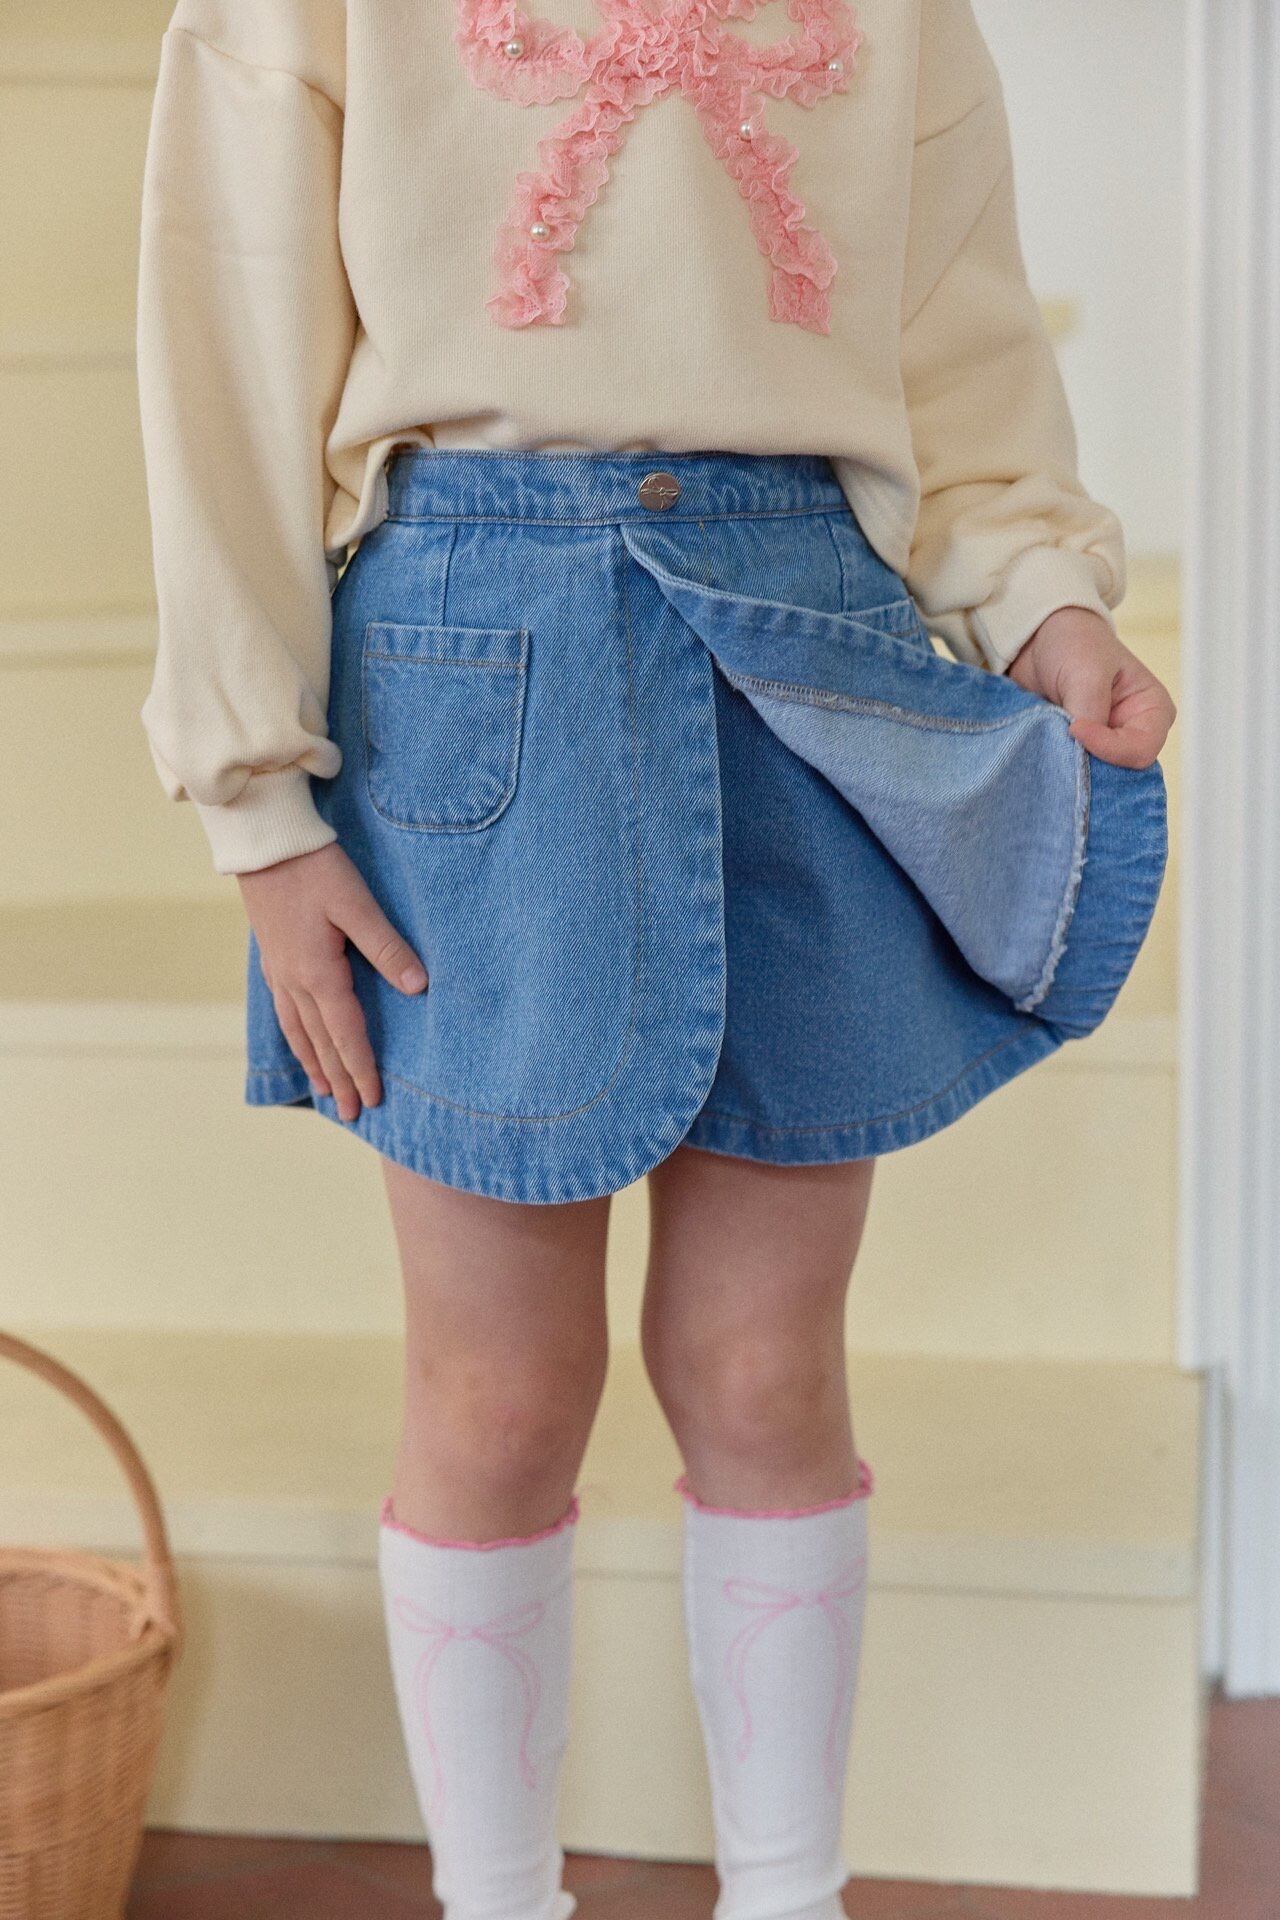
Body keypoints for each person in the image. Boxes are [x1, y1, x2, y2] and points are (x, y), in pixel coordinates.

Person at [135, 2, 1176, 1916]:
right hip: (471, 671)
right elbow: (228, 334)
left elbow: (960, 358)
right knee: (497, 1396)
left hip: (810, 651)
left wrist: (1043, 605)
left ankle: (790, 1895)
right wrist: (258, 804)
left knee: (766, 1370)